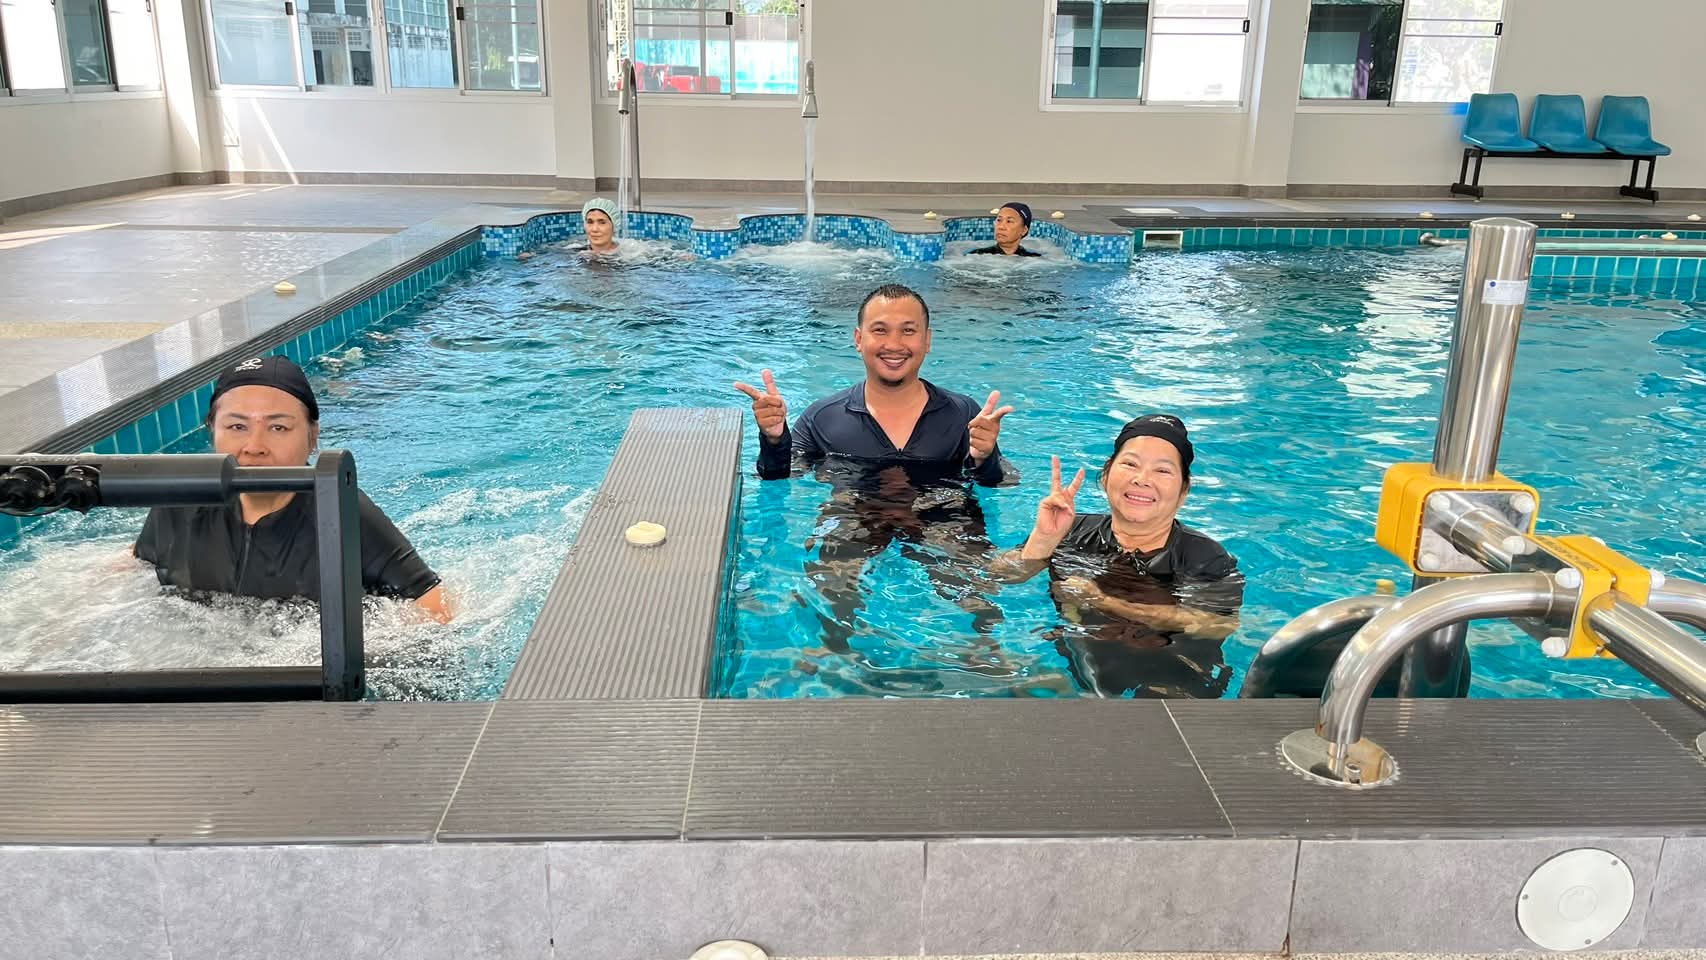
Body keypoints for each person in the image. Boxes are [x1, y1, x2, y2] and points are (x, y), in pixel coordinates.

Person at [733, 283, 1016, 654]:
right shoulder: (824, 417)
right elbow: (778, 479)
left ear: (927, 340)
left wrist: (985, 457)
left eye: (908, 331)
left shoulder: (962, 414)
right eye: (880, 330)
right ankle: (831, 659)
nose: (894, 344)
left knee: (976, 596)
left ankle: (987, 655)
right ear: (858, 339)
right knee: (831, 592)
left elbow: (998, 483)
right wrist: (774, 439)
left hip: (943, 511)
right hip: (855, 510)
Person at [133, 355, 452, 623]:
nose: (254, 447)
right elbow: (137, 568)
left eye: (278, 427)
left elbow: (436, 605)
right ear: (212, 430)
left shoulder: (339, 512)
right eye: (237, 426)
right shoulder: (181, 501)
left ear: (312, 436)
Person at [994, 414, 1242, 698]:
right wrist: (1043, 540)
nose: (1142, 480)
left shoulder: (1206, 557)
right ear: (1106, 475)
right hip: (1080, 662)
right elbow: (1000, 577)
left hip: (1171, 678)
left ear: (1184, 491)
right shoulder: (1070, 528)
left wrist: (1104, 602)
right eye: (1130, 464)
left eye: (1162, 470)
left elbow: (1216, 624)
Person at [969, 202, 1042, 257]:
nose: (1001, 227)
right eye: (999, 220)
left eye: (1009, 221)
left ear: (1024, 230)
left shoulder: (1034, 259)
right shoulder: (977, 256)